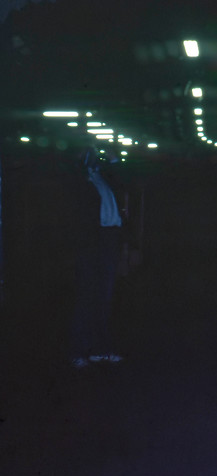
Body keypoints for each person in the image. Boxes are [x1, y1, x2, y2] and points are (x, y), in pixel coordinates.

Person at [69, 145, 125, 369]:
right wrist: (81, 158)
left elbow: (122, 182)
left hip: (108, 238)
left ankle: (100, 349)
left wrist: (113, 160)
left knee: (104, 298)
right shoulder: (80, 181)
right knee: (86, 298)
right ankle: (78, 351)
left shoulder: (101, 177)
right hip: (92, 242)